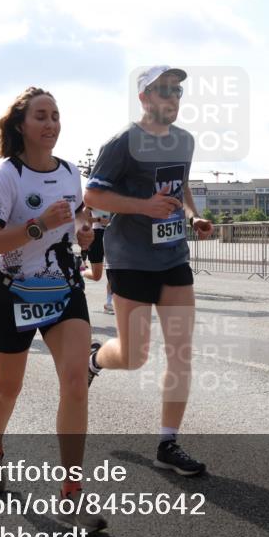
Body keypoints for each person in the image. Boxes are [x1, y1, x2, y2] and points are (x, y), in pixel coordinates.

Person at [0, 86, 103, 530]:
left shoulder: (70, 171)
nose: (51, 124)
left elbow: (79, 217)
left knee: (75, 381)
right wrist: (35, 226)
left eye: (56, 116)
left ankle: (71, 493)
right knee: (8, 388)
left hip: (63, 289)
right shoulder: (7, 176)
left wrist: (83, 233)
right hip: (11, 293)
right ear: (21, 125)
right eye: (41, 116)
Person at [84, 65, 215, 476]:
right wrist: (144, 207)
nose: (172, 98)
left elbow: (183, 185)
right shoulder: (123, 142)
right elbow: (93, 193)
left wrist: (194, 216)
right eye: (163, 91)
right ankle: (95, 361)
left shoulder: (185, 141)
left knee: (181, 352)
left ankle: (167, 442)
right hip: (131, 258)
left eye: (176, 91)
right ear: (144, 98)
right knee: (134, 355)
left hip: (173, 256)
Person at [82, 208, 114, 313]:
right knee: (97, 276)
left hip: (113, 235)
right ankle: (81, 271)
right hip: (96, 236)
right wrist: (98, 220)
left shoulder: (115, 197)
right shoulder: (93, 200)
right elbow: (83, 217)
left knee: (113, 270)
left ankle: (108, 303)